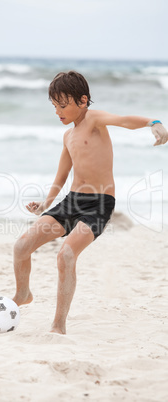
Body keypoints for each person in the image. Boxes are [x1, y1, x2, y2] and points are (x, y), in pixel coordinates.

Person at [12, 71, 168, 334]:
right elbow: (61, 176)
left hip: (99, 204)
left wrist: (153, 122)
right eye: (54, 107)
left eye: (63, 106)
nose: (58, 112)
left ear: (82, 101)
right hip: (71, 201)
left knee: (66, 255)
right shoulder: (68, 136)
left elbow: (124, 121)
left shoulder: (94, 119)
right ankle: (23, 293)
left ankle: (58, 325)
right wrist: (45, 204)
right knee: (21, 246)